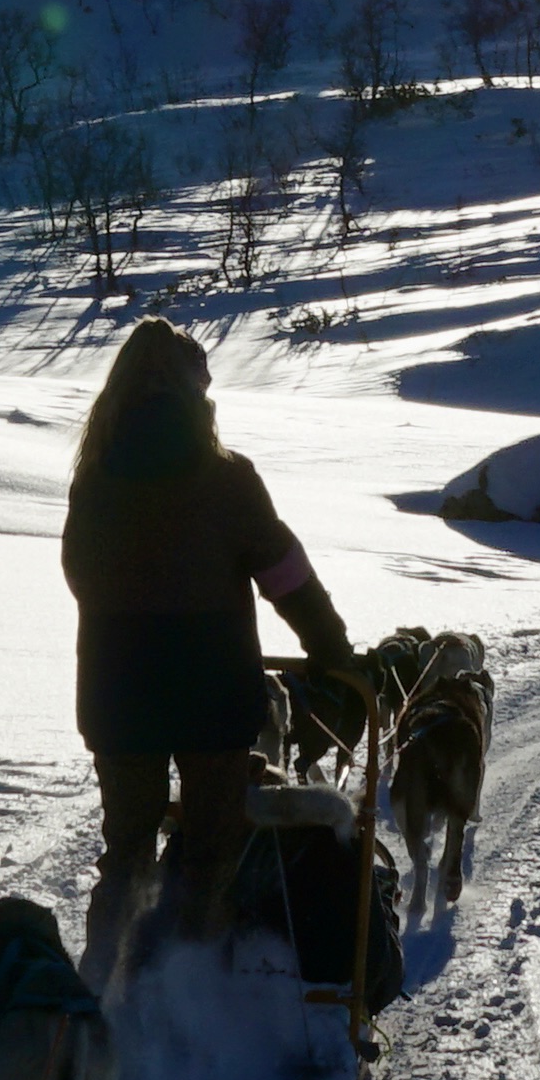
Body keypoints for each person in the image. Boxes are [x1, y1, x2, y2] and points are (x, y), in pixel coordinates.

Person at [64, 317, 358, 942]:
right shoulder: (227, 480)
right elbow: (286, 576)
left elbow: (79, 575)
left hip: (120, 699)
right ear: (194, 393)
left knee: (127, 851)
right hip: (212, 697)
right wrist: (333, 652)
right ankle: (189, 987)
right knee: (209, 851)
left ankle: (99, 1008)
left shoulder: (95, 479)